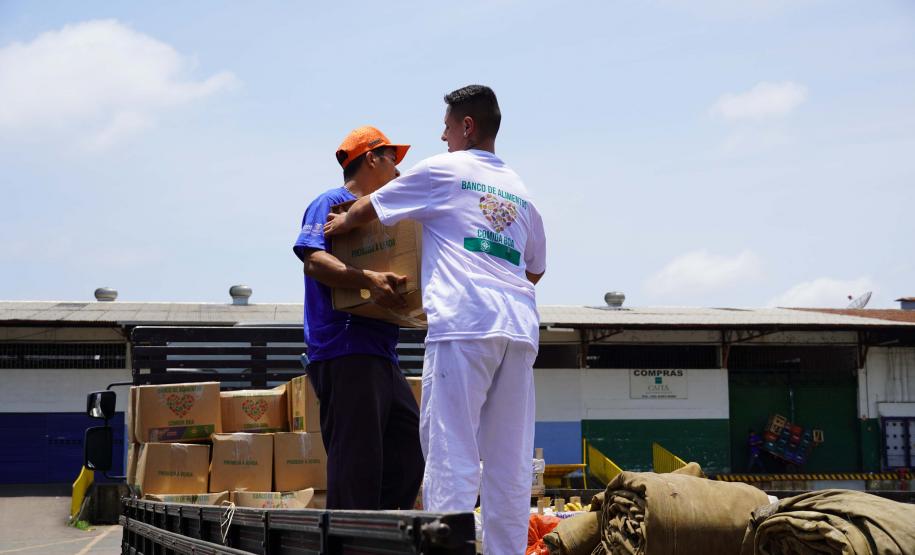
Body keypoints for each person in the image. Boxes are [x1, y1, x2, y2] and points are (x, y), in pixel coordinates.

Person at [325, 85, 547, 555]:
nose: (442, 137)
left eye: (447, 127)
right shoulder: (521, 189)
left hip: (464, 322)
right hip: (518, 328)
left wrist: (342, 224)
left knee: (451, 453)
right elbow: (535, 267)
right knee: (509, 462)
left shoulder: (444, 170)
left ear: (467, 126)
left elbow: (371, 205)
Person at [291, 126, 424, 510]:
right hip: (344, 349)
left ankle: (376, 531)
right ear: (371, 158)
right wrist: (368, 279)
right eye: (392, 160)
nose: (398, 171)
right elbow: (314, 261)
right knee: (356, 465)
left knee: (409, 453)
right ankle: (351, 537)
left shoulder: (387, 215)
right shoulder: (330, 203)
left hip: (382, 353)